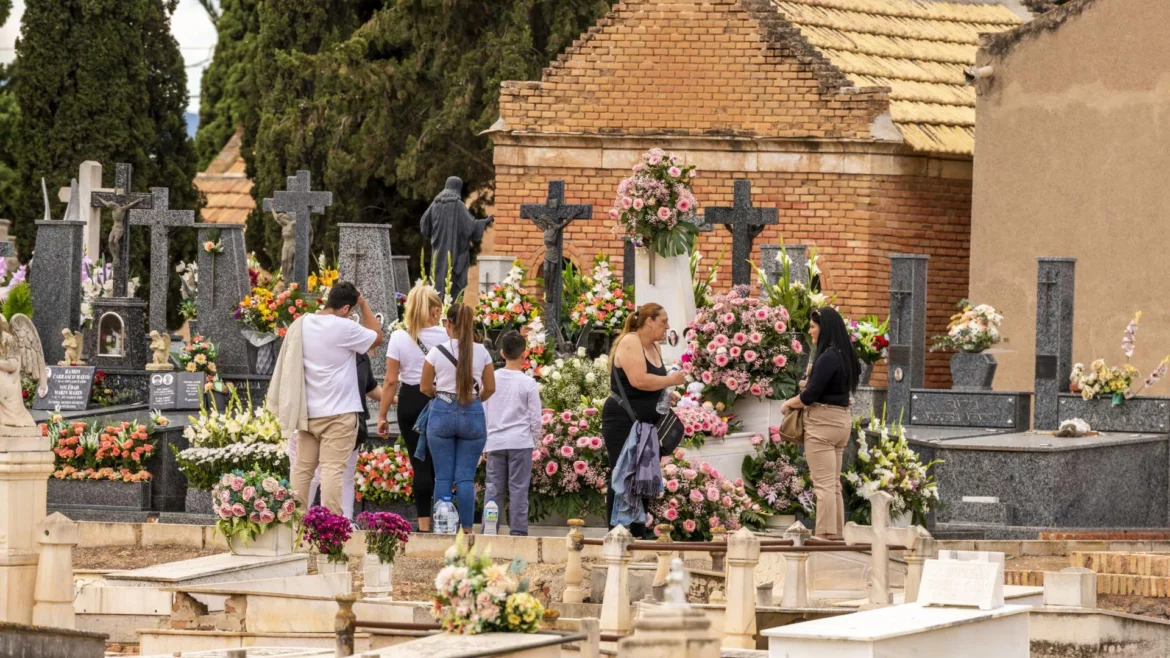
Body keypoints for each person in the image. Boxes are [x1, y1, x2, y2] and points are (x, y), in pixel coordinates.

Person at [269, 281, 383, 514]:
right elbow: (377, 338)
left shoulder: (302, 323)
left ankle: (294, 527)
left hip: (307, 412)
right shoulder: (344, 328)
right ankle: (330, 530)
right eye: (350, 310)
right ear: (345, 309)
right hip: (339, 415)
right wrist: (363, 303)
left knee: (302, 470)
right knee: (332, 471)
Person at [601, 303, 686, 538]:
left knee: (644, 478)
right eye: (663, 321)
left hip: (647, 424)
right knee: (622, 473)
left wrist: (667, 393)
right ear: (649, 321)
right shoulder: (631, 341)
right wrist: (670, 381)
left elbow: (652, 383)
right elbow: (638, 380)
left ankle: (638, 534)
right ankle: (616, 534)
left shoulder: (655, 347)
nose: (667, 326)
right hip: (622, 419)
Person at [780, 307, 858, 540]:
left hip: (822, 424)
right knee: (833, 484)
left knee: (823, 485)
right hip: (841, 421)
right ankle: (836, 535)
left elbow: (809, 396)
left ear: (824, 328)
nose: (810, 331)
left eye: (813, 326)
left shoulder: (828, 357)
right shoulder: (848, 356)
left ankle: (823, 536)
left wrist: (788, 404)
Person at [421, 303, 496, 532]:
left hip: (441, 412)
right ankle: (467, 530)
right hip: (471, 410)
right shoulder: (481, 352)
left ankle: (443, 528)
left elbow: (425, 387)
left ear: (449, 324)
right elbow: (490, 388)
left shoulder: (436, 352)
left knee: (442, 476)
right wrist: (474, 399)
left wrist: (441, 395)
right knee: (465, 478)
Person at [378, 285, 447, 532]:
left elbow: (390, 381)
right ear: (435, 310)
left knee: (419, 464)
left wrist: (383, 414)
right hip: (440, 400)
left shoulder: (399, 337)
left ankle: (424, 525)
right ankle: (444, 519)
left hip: (410, 400)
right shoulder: (447, 336)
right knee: (441, 465)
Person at [301, 351, 382, 519]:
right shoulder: (322, 352)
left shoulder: (361, 356)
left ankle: (344, 524)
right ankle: (298, 523)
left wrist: (394, 399)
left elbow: (370, 387)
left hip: (351, 423)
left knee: (346, 475)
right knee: (314, 474)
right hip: (318, 420)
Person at [482, 330, 541, 536]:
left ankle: (490, 530)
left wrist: (485, 443)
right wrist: (534, 439)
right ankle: (518, 532)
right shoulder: (528, 383)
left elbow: (484, 412)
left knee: (493, 489)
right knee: (518, 489)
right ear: (524, 354)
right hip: (520, 441)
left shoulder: (491, 379)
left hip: (496, 440)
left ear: (501, 353)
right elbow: (536, 418)